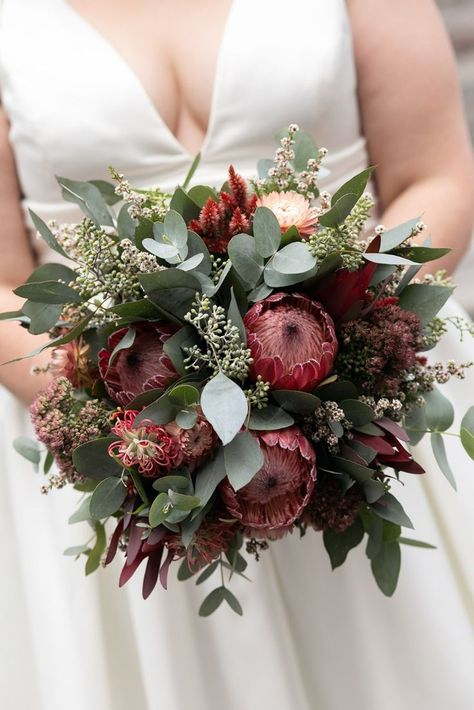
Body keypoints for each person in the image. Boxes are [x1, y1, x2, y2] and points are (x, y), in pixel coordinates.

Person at [0, 1, 473, 708]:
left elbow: (434, 174)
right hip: (119, 438)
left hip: (362, 407)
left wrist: (347, 347)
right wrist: (132, 429)